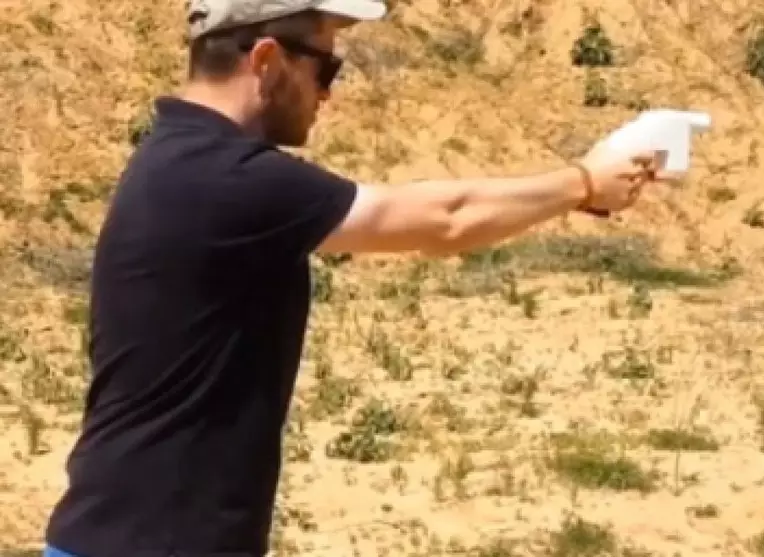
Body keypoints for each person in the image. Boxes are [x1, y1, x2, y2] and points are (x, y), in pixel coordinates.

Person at [41, 0, 664, 556]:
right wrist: (584, 183)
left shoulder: (178, 159)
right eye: (325, 68)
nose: (328, 94)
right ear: (267, 60)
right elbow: (446, 219)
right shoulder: (228, 179)